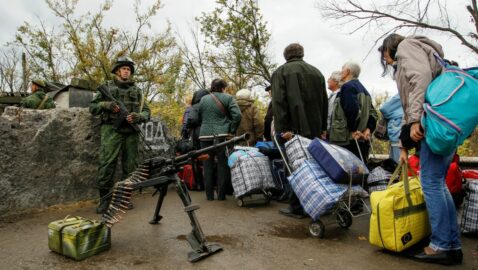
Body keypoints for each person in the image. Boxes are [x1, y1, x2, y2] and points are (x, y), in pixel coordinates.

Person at [379, 33, 462, 265]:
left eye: (385, 56)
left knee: (431, 183)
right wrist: (405, 144)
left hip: (430, 123)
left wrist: (415, 121)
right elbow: (413, 95)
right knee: (436, 182)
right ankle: (451, 244)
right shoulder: (427, 50)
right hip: (442, 122)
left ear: (389, 48)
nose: (387, 61)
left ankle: (442, 245)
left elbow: (420, 80)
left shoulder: (406, 46)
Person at [271, 43, 328, 218]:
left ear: (286, 56)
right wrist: (323, 128)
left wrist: (283, 130)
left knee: (293, 167)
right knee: (314, 167)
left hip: (291, 131)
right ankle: (317, 202)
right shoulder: (317, 73)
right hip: (314, 130)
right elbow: (324, 102)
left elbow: (279, 104)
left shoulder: (280, 72)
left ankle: (296, 207)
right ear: (302, 54)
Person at [89, 56, 151, 214]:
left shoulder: (137, 91)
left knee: (130, 167)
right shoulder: (107, 88)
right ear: (117, 70)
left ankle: (123, 199)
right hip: (111, 130)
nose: (126, 71)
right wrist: (107, 105)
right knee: (107, 164)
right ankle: (105, 201)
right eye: (124, 68)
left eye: (129, 69)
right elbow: (93, 107)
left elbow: (147, 111)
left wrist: (138, 117)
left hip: (131, 132)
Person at [198, 79, 241, 201]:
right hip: (222, 135)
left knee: (207, 165)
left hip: (204, 135)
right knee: (222, 164)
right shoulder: (228, 98)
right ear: (223, 88)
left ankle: (209, 196)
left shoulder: (203, 99)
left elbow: (200, 115)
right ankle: (221, 195)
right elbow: (237, 115)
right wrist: (231, 130)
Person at [336, 61, 378, 161]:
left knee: (347, 172)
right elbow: (374, 113)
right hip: (360, 139)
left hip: (347, 138)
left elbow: (352, 110)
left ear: (347, 71)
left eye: (342, 69)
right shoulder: (364, 90)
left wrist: (353, 129)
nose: (340, 72)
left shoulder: (347, 87)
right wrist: (368, 129)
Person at [379, 94, 403, 163]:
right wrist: (399, 114)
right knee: (397, 161)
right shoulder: (400, 95)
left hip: (396, 129)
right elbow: (384, 109)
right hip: (397, 130)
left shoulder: (401, 94)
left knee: (395, 161)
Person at [325, 71, 342, 137]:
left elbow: (331, 114)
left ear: (336, 81)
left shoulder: (339, 96)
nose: (327, 81)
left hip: (332, 133)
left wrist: (327, 130)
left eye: (330, 78)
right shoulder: (332, 95)